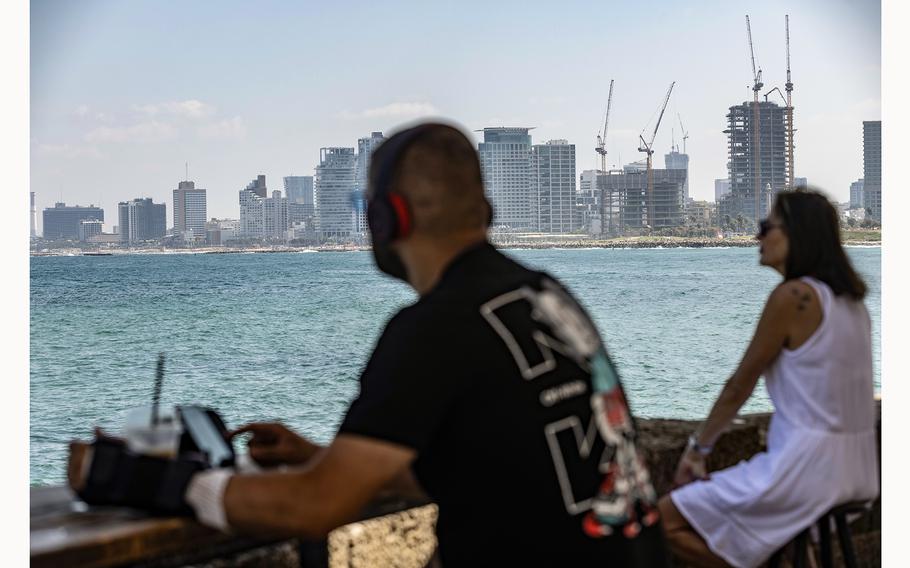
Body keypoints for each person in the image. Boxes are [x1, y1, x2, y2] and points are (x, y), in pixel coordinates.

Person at [69, 122, 670, 566]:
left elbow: (313, 510)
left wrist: (146, 480)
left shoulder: (435, 325)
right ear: (483, 210)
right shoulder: (545, 296)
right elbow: (499, 469)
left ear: (387, 219)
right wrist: (326, 459)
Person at [658, 190, 879, 568]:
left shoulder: (793, 297)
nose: (758, 237)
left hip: (806, 471)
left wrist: (698, 450)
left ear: (796, 234)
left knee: (660, 521)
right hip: (859, 470)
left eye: (766, 227)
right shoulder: (851, 302)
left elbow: (739, 385)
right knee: (789, 542)